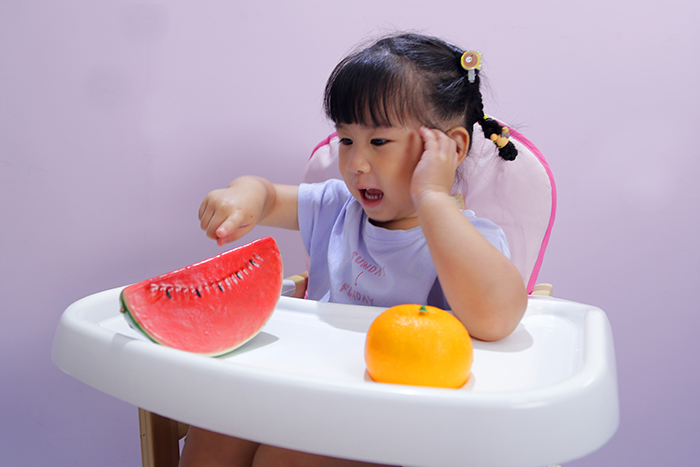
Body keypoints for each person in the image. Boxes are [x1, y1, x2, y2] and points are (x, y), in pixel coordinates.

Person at [183, 32, 527, 467]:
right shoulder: (336, 207)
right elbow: (268, 197)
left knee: (282, 460)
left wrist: (432, 197)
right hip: (317, 391)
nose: (355, 163)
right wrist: (244, 194)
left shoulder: (470, 241)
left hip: (407, 425)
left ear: (450, 149)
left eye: (378, 142)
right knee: (215, 426)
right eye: (346, 140)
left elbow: (497, 319)